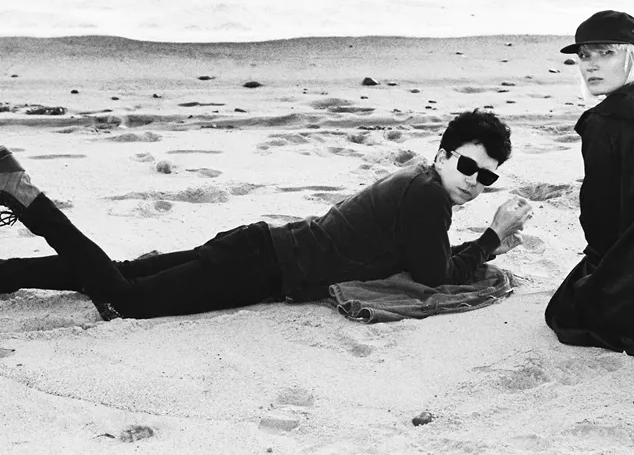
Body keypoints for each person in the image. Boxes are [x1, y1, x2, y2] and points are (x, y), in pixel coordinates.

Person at [0, 110, 532, 321]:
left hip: (260, 247)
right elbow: (435, 275)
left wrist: (485, 241)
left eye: (486, 177)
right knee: (128, 299)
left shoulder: (418, 182)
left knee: (124, 272)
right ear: (442, 155)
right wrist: (492, 239)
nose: (473, 181)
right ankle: (26, 197)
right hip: (261, 266)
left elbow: (424, 257)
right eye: (467, 165)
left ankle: (6, 274)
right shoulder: (428, 197)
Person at [545, 9, 634, 359]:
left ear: (633, 56)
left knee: (566, 311)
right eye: (584, 56)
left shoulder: (603, 122)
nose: (590, 66)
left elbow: (599, 217)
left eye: (606, 53)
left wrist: (598, 268)